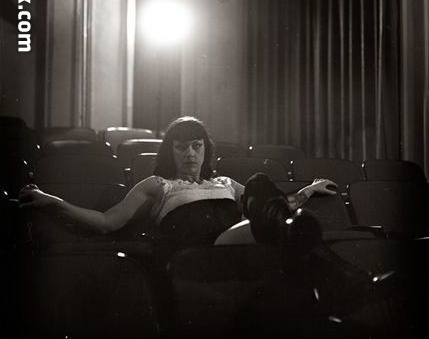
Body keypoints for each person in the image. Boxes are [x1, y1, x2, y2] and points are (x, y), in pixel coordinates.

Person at [19, 116, 337, 248]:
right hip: (199, 253)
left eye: (196, 146)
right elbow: (106, 222)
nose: (190, 154)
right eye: (181, 147)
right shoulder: (156, 185)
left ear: (206, 149)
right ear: (170, 151)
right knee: (279, 223)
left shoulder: (225, 182)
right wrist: (52, 201)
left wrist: (309, 190)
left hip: (238, 246)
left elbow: (271, 206)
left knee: (259, 184)